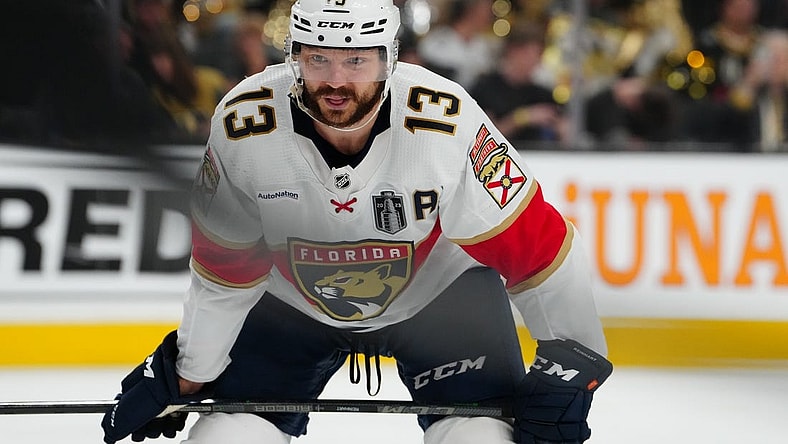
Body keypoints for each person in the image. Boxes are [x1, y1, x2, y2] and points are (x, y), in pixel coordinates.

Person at [101, 1, 612, 444]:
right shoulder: (242, 127)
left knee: (481, 438)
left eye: (356, 59)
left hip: (442, 300)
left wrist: (574, 360)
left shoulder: (447, 123)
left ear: (389, 60)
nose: (336, 81)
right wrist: (189, 372)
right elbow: (225, 268)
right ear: (293, 57)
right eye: (318, 57)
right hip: (289, 305)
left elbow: (540, 250)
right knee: (227, 437)